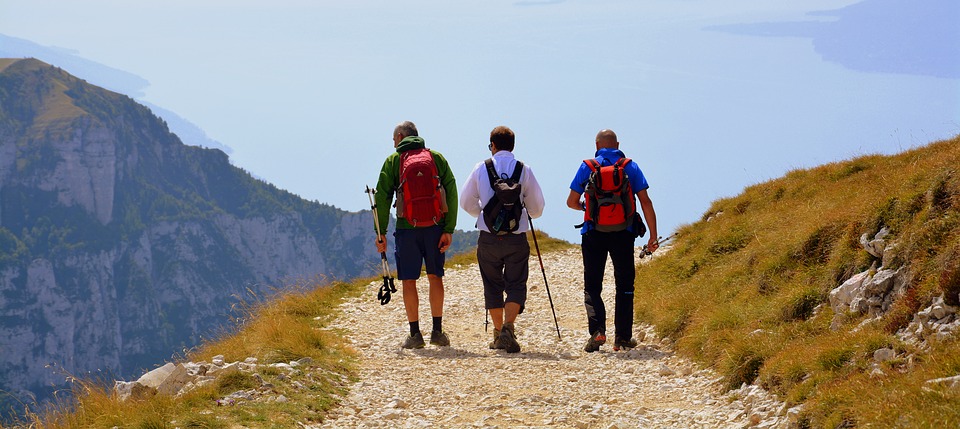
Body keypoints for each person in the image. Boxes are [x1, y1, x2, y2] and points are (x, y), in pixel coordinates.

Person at [566, 129, 659, 352]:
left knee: (592, 286)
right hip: (623, 232)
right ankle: (623, 338)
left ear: (596, 145)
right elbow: (645, 201)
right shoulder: (630, 166)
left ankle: (598, 332)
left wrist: (586, 207)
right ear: (617, 144)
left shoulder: (587, 166)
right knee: (625, 285)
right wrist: (653, 236)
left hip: (593, 232)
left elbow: (571, 201)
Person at [460, 126, 545, 353]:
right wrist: (526, 214)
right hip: (516, 237)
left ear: (492, 145)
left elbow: (466, 201)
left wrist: (482, 214)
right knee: (516, 283)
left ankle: (499, 334)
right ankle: (508, 328)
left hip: (488, 236)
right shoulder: (523, 169)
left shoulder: (481, 168)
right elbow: (537, 207)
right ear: (513, 146)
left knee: (492, 284)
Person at [374, 121, 458, 349]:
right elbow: (451, 190)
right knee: (435, 277)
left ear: (400, 137)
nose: (393, 145)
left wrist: (380, 233)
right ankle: (438, 332)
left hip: (407, 229)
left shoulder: (393, 161)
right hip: (434, 226)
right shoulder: (436, 158)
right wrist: (448, 228)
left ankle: (415, 335)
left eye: (394, 140)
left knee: (409, 280)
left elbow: (381, 198)